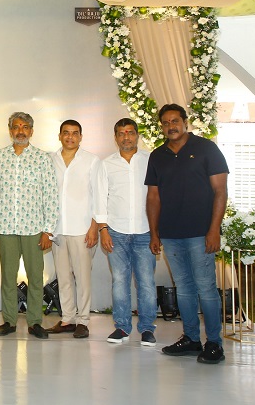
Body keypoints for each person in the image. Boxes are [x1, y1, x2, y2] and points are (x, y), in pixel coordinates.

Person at [146, 103, 229, 364]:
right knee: (183, 288)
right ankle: (192, 339)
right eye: (165, 123)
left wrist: (213, 229)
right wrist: (154, 233)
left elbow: (220, 191)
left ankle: (214, 343)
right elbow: (153, 197)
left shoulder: (206, 148)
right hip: (171, 234)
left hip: (201, 233)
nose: (170, 126)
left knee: (206, 288)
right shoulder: (157, 155)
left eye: (175, 121)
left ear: (185, 122)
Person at [0, 111, 58, 340]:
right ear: (10, 131)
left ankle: (35, 322)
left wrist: (48, 230)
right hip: (6, 227)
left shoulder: (42, 159)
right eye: (16, 127)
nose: (20, 131)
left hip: (34, 228)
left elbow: (51, 195)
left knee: (36, 277)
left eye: (25, 127)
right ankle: (9, 320)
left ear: (31, 131)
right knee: (8, 277)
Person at [94, 118, 156, 346]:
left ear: (137, 135)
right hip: (116, 231)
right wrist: (103, 229)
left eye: (130, 132)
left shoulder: (150, 160)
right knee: (119, 281)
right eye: (121, 133)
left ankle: (147, 328)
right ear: (115, 137)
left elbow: (158, 196)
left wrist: (157, 231)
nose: (126, 137)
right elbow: (100, 198)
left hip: (145, 230)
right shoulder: (106, 164)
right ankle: (122, 327)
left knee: (146, 282)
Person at [47, 120, 100, 339]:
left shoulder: (92, 160)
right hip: (58, 229)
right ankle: (68, 318)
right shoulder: (50, 159)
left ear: (81, 137)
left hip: (82, 228)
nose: (70, 137)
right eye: (66, 133)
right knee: (63, 277)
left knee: (82, 277)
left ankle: (83, 320)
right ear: (60, 136)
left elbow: (98, 195)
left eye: (75, 133)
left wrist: (94, 227)